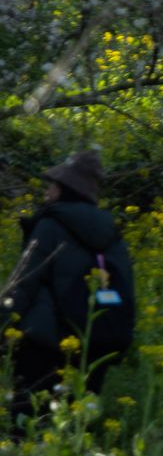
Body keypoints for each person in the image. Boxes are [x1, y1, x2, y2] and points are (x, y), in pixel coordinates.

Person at [2, 151, 136, 441]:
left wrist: (3, 328)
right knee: (73, 433)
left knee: (24, 429)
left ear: (65, 189)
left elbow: (24, 282)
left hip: (42, 345)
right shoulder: (110, 231)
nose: (47, 192)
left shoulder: (51, 225)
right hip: (91, 346)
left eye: (52, 185)